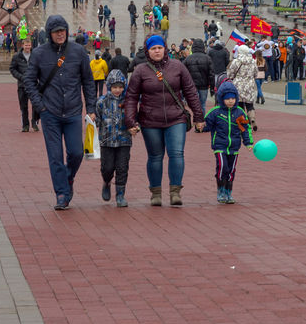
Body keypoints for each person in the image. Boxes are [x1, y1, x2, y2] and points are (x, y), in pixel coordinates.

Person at [24, 14, 96, 211]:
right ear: (49, 33)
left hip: (73, 111)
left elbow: (88, 81)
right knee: (55, 156)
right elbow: (28, 81)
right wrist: (40, 107)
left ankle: (68, 178)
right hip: (50, 113)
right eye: (56, 32)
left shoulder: (78, 52)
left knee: (76, 153)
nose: (60, 34)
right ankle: (62, 194)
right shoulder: (39, 54)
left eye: (63, 30)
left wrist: (91, 108)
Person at [123, 35, 204, 207]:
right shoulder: (140, 71)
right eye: (153, 49)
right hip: (150, 120)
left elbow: (190, 92)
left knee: (176, 154)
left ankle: (175, 192)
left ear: (165, 48)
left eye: (159, 48)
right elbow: (131, 97)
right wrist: (130, 121)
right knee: (155, 157)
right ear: (148, 51)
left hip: (176, 119)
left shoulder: (178, 66)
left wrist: (198, 116)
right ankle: (156, 193)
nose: (157, 51)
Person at [200, 81, 254, 204]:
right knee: (222, 167)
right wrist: (201, 127)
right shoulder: (216, 112)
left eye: (232, 98)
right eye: (227, 99)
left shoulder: (239, 112)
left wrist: (248, 142)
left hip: (234, 147)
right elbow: (207, 124)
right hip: (219, 146)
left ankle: (228, 192)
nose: (230, 101)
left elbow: (245, 129)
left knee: (231, 170)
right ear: (221, 99)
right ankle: (221, 191)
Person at [96, 69, 132, 207]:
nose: (117, 90)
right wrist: (94, 122)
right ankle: (106, 181)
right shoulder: (101, 102)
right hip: (107, 141)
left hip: (124, 140)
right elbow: (97, 120)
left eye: (120, 87)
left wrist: (135, 126)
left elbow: (133, 117)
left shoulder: (128, 101)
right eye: (114, 87)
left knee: (122, 167)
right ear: (109, 86)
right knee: (107, 167)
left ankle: (120, 194)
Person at [10, 39, 40, 132]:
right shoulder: (17, 57)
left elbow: (40, 68)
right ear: (22, 46)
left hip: (34, 85)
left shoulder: (35, 56)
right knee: (23, 106)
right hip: (22, 85)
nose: (28, 47)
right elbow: (12, 69)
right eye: (26, 45)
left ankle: (34, 122)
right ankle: (25, 125)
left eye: (29, 45)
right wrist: (21, 77)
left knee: (35, 104)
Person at [227, 44, 259, 132]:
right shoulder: (253, 61)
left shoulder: (236, 61)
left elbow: (230, 74)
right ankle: (252, 118)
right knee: (249, 105)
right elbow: (256, 74)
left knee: (240, 105)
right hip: (250, 85)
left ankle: (242, 122)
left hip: (238, 85)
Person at [184, 39, 215, 112]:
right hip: (204, 86)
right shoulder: (207, 58)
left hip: (192, 86)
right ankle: (202, 121)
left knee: (194, 105)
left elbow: (183, 73)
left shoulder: (188, 58)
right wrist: (212, 87)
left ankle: (196, 119)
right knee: (203, 104)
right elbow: (211, 74)